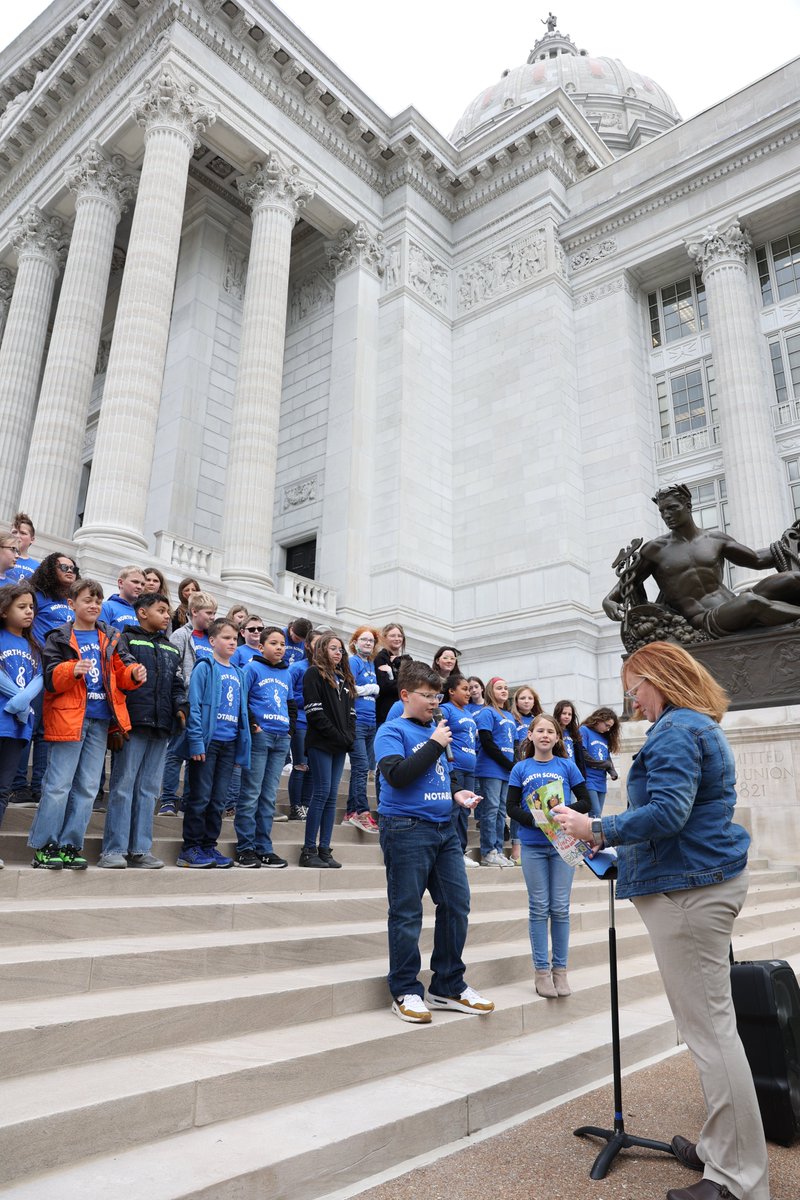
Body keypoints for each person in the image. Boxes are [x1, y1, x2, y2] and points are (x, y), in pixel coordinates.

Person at [552, 641, 769, 1200]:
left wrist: (593, 827)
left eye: (635, 690)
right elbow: (687, 816)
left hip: (690, 892)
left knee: (711, 1035)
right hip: (696, 880)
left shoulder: (676, 729)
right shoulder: (696, 726)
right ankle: (723, 1151)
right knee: (712, 1029)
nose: (633, 703)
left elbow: (669, 813)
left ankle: (738, 1181)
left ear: (660, 680)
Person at [375, 660, 493, 1024]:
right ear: (406, 695)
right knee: (407, 912)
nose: (433, 702)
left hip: (444, 830)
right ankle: (406, 989)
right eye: (427, 696)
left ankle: (448, 985)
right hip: (406, 829)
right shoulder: (391, 731)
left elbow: (435, 776)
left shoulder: (436, 733)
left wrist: (456, 793)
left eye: (437, 695)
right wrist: (433, 743)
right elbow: (397, 775)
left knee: (457, 904)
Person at [27, 579, 145, 870]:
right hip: (69, 719)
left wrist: (134, 673)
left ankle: (70, 844)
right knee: (57, 785)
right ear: (72, 604)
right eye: (87, 600)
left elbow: (122, 669)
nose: (93, 605)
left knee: (88, 788)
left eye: (98, 601)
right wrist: (72, 670)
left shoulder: (111, 636)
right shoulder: (59, 636)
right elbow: (52, 678)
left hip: (101, 720)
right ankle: (44, 845)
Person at [603, 482, 800, 636]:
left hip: (733, 602)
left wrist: (791, 540)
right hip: (705, 618)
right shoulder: (655, 549)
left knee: (793, 579)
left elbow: (757, 559)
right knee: (751, 602)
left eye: (672, 508)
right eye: (662, 511)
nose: (666, 515)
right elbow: (627, 583)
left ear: (687, 506)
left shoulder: (715, 539)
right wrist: (609, 601)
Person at [100, 592, 187, 868]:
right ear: (142, 612)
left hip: (161, 727)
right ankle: (113, 850)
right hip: (133, 724)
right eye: (161, 610)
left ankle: (139, 849)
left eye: (167, 611)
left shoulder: (171, 647)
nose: (166, 615)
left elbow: (176, 683)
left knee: (149, 789)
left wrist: (181, 707)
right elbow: (120, 676)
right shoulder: (125, 640)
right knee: (123, 786)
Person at [507, 713, 591, 998]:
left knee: (560, 908)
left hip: (562, 844)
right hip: (532, 844)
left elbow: (586, 800)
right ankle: (541, 972)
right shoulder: (520, 768)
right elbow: (510, 807)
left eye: (550, 732)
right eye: (539, 731)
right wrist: (535, 819)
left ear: (557, 738)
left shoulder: (567, 766)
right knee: (539, 907)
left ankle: (561, 971)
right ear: (529, 735)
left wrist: (564, 812)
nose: (545, 735)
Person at [179, 617, 251, 869]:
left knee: (219, 799)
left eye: (235, 638)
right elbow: (195, 706)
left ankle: (209, 846)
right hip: (208, 744)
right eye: (226, 638)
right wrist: (196, 741)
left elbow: (241, 711)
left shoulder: (239, 673)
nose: (232, 642)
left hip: (229, 745)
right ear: (212, 641)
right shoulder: (205, 667)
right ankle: (190, 848)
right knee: (200, 797)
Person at [9, 552, 79, 807]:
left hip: (59, 672)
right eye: (64, 567)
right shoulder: (37, 596)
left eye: (74, 568)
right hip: (36, 668)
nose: (70, 571)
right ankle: (18, 786)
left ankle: (38, 785)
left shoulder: (69, 600)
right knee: (28, 726)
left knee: (45, 732)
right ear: (51, 568)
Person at [234, 626, 295, 869]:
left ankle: (264, 848)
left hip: (281, 739)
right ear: (261, 646)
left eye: (282, 644)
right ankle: (245, 848)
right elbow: (242, 699)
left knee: (269, 797)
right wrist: (253, 725)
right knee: (251, 794)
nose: (279, 647)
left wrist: (289, 731)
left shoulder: (287, 673)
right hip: (261, 737)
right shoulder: (251, 668)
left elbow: (291, 704)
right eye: (273, 643)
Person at [301, 632, 355, 868]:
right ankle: (308, 849)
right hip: (321, 743)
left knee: (332, 797)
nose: (338, 653)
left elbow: (351, 715)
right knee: (321, 793)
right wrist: (339, 736)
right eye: (333, 648)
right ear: (322, 649)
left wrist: (349, 738)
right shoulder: (314, 673)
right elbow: (314, 713)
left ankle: (324, 848)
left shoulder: (344, 679)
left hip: (339, 745)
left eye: (341, 650)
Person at [161, 591, 217, 815]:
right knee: (175, 753)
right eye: (209, 613)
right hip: (185, 702)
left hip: (207, 707)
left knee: (198, 754)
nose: (213, 617)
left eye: (214, 613)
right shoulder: (181, 635)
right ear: (194, 612)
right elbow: (172, 667)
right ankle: (167, 799)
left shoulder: (213, 639)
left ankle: (187, 800)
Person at [0, 584, 43, 864]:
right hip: (8, 717)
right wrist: (20, 703)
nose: (29, 612)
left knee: (3, 790)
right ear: (4, 611)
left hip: (19, 726)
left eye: (31, 607)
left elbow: (39, 679)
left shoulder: (33, 646)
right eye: (22, 607)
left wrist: (22, 704)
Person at [475, 676, 517, 867]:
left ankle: (498, 850)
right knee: (490, 810)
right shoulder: (486, 712)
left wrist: (514, 765)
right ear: (491, 691)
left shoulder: (509, 716)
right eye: (499, 688)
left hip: (506, 771)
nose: (504, 691)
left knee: (501, 811)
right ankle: (487, 851)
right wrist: (507, 763)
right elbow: (487, 742)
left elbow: (514, 745)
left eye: (506, 688)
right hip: (491, 768)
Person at [439, 671, 479, 868]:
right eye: (464, 689)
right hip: (455, 768)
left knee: (465, 812)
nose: (469, 692)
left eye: (470, 689)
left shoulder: (468, 712)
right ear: (451, 691)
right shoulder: (445, 709)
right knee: (454, 810)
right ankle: (451, 852)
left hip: (470, 768)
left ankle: (460, 850)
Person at [345, 626, 381, 831]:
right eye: (364, 640)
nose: (368, 643)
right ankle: (361, 812)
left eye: (371, 641)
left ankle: (350, 811)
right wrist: (370, 689)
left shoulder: (370, 664)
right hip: (357, 722)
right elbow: (348, 688)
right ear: (355, 642)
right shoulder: (354, 661)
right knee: (359, 768)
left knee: (366, 768)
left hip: (371, 722)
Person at [287, 627, 319, 822]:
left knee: (313, 768)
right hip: (300, 722)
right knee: (300, 765)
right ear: (307, 646)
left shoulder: (326, 671)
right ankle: (295, 806)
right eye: (317, 644)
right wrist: (312, 699)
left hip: (318, 727)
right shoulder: (297, 668)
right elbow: (289, 695)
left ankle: (306, 805)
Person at [579, 707, 620, 816]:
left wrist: (612, 771)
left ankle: (593, 833)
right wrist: (602, 764)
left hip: (601, 781)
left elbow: (607, 757)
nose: (608, 729)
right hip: (589, 779)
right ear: (598, 720)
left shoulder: (604, 737)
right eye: (607, 725)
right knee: (595, 812)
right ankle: (591, 833)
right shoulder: (584, 730)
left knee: (598, 815)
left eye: (610, 727)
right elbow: (583, 754)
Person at [100, 566, 146, 631]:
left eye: (143, 584)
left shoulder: (144, 612)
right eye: (135, 582)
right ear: (121, 583)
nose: (139, 587)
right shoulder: (106, 607)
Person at [553, 699, 587, 778]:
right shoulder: (553, 731)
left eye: (569, 714)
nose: (567, 716)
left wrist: (582, 776)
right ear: (557, 714)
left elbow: (580, 758)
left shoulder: (574, 733)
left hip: (573, 772)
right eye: (564, 713)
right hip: (559, 772)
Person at [10, 513, 40, 581]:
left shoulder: (37, 567)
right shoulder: (2, 557)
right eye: (14, 532)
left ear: (32, 539)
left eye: (23, 533)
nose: (17, 536)